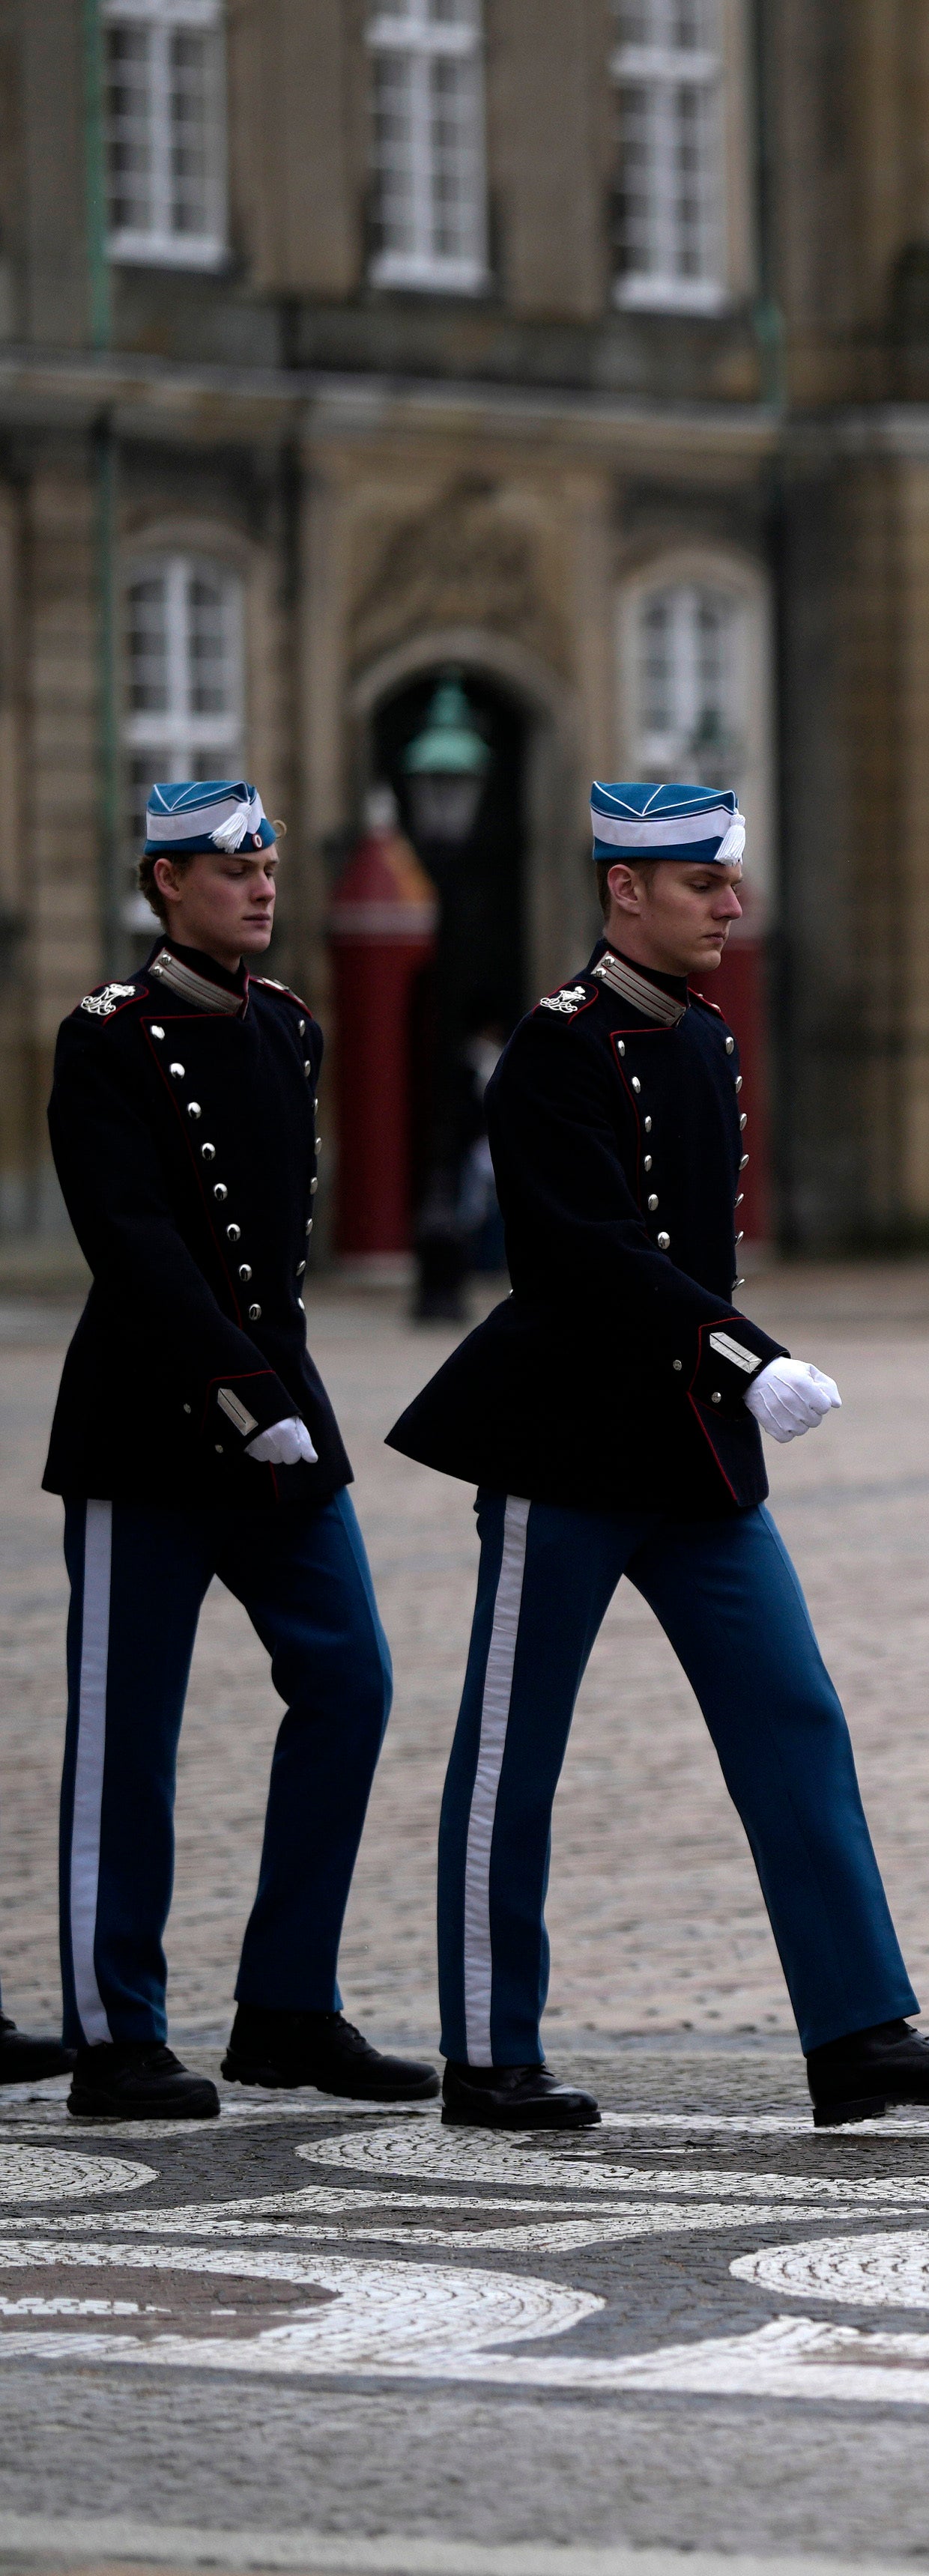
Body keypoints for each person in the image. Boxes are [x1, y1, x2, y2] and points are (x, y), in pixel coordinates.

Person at [387, 784, 929, 2133]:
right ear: (625, 890)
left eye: (727, 885)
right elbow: (586, 1253)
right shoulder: (554, 1049)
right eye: (703, 888)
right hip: (567, 1443)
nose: (732, 906)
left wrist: (726, 1374)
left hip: (689, 1457)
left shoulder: (705, 1038)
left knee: (793, 1717)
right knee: (516, 1749)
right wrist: (745, 1356)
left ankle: (859, 2032)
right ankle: (490, 2053)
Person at [24, 780, 426, 2118]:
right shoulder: (107, 1038)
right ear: (163, 885)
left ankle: (289, 2004)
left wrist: (278, 1399)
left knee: (351, 1682)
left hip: (281, 1426)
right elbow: (131, 1242)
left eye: (264, 860)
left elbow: (273, 1255)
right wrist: (240, 1387)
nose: (259, 883)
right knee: (126, 1734)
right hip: (152, 1425)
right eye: (227, 865)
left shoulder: (290, 1031)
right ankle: (115, 2031)